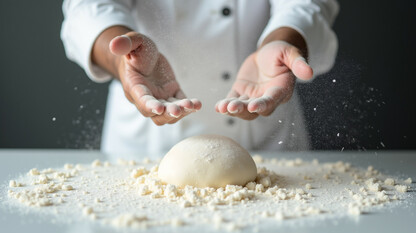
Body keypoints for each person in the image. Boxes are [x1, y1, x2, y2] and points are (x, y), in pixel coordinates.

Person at [61, 0, 339, 155]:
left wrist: (283, 40)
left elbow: (308, 4)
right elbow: (87, 8)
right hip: (144, 149)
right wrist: (123, 58)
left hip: (267, 145)